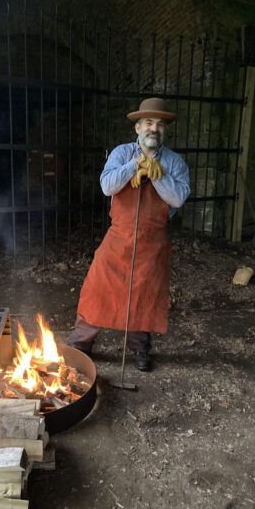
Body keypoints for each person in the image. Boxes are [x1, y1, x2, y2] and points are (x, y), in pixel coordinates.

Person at [69, 97, 190, 371]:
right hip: (118, 237)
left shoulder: (175, 163)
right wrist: (135, 165)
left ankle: (140, 348)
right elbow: (107, 187)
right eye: (148, 123)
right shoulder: (121, 153)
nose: (154, 129)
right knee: (97, 289)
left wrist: (158, 175)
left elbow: (178, 199)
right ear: (137, 127)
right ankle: (81, 344)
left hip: (153, 241)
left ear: (164, 130)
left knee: (143, 295)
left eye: (160, 124)